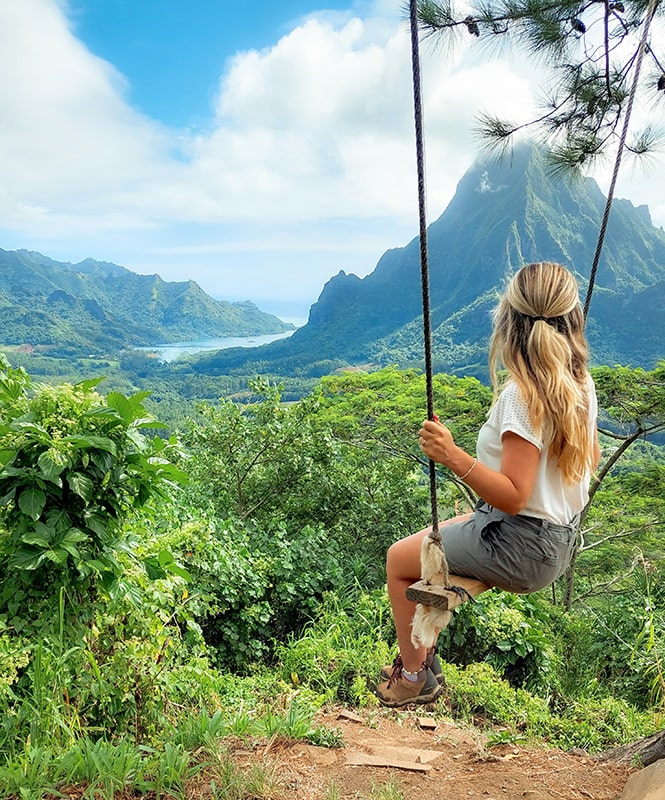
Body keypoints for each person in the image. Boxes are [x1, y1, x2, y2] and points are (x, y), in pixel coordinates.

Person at [376, 261, 600, 707]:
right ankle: (425, 659)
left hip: (522, 543)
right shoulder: (577, 382)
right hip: (556, 538)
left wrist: (451, 455)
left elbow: (515, 496)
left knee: (399, 560)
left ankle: (414, 678)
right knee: (444, 530)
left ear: (509, 323)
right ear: (571, 320)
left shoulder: (523, 395)